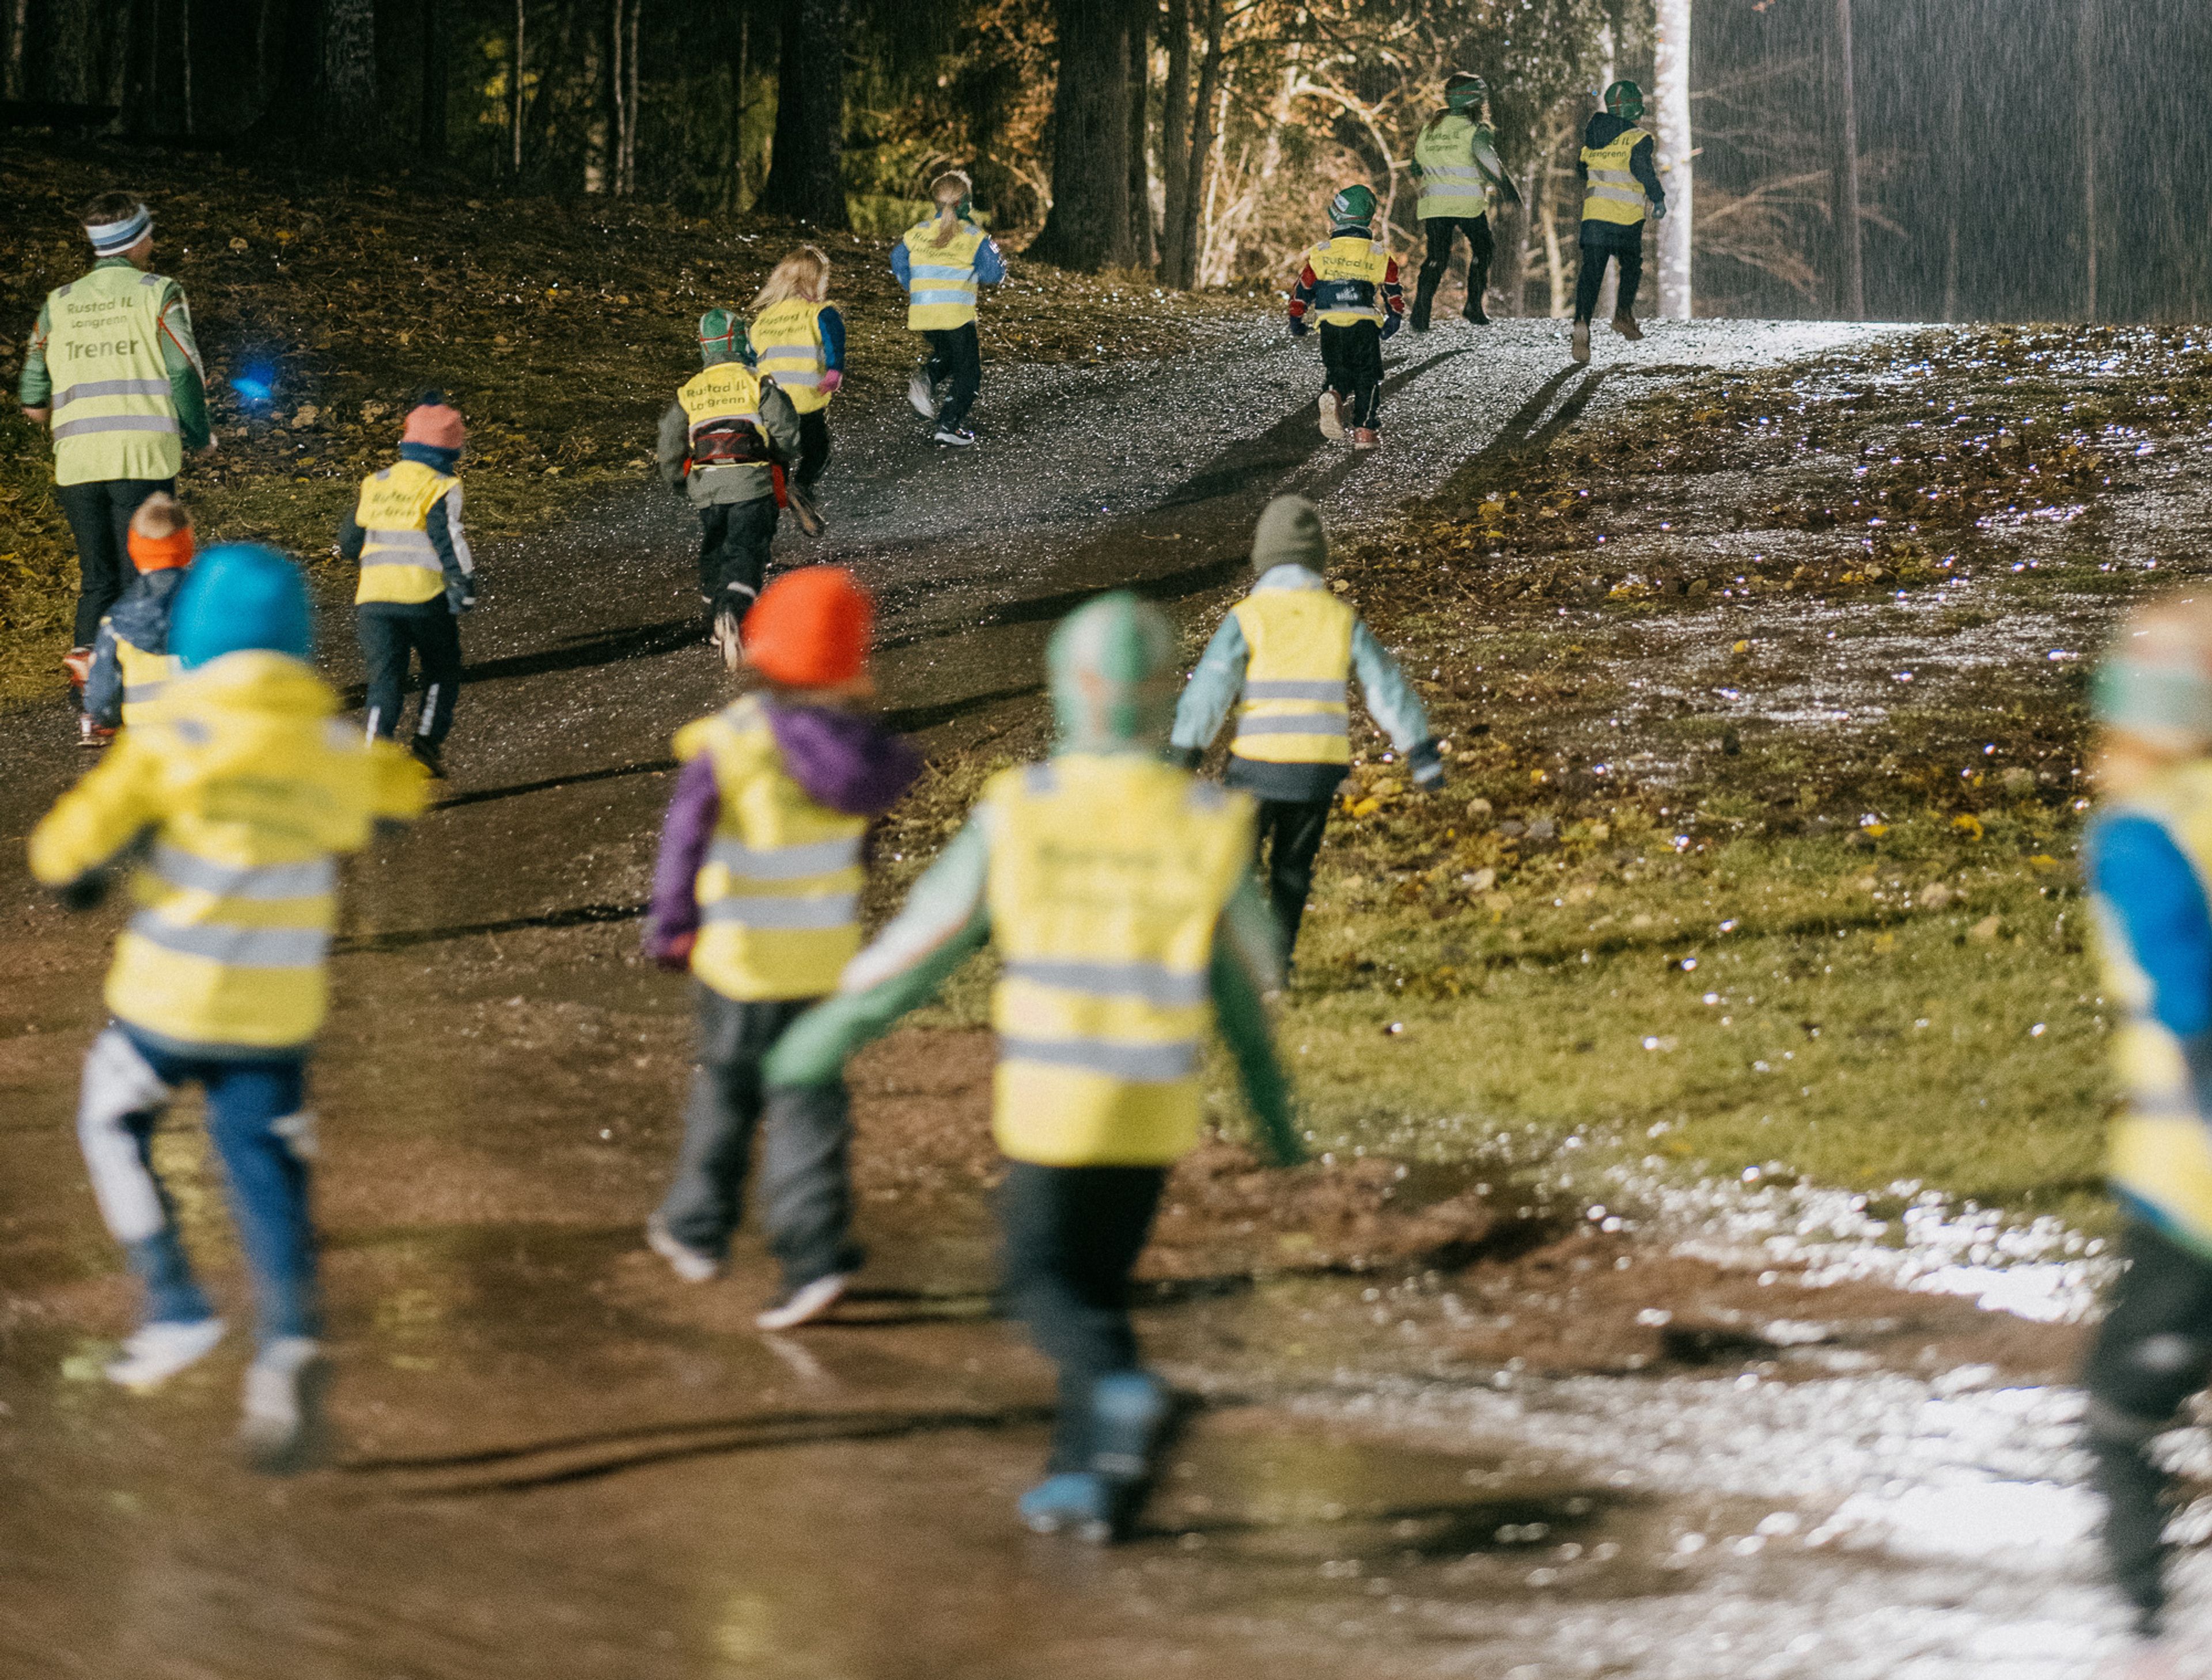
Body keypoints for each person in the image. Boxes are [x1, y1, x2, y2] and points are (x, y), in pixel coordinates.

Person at [764, 593, 1301, 1542]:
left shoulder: (1024, 812)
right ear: (1161, 693)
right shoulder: (1207, 818)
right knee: (1096, 1289)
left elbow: (921, 952)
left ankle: (1127, 1400)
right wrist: (1274, 1117)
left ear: (1070, 691)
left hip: (1059, 1102)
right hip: (1152, 1107)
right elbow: (1246, 983)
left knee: (1041, 1286)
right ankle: (1091, 1478)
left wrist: (826, 1035)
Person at [26, 544, 427, 1473]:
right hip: (274, 1020)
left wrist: (80, 875)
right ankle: (287, 1346)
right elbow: (401, 790)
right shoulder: (328, 745)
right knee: (269, 1176)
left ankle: (175, 1303)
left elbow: (66, 846)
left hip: (166, 1005)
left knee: (113, 1118)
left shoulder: (173, 739)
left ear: (200, 637)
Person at [642, 566, 920, 1329]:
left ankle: (696, 1229)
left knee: (728, 1092)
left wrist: (670, 927)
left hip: (739, 964)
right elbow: (863, 843)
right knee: (809, 1107)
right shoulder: (861, 761)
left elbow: (683, 843)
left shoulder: (733, 745)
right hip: (821, 966)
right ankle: (814, 1257)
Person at [2079, 595, 2212, 1679]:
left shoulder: (2143, 836)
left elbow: (2191, 1001)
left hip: (2194, 1194)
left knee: (2119, 1419)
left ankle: (2148, 1646)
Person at [1169, 496, 1442, 960]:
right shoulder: (1340, 619)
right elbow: (1386, 687)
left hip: (1256, 768)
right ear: (1319, 558)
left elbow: (1210, 691)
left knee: (1234, 864)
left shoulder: (1248, 618)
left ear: (1261, 558)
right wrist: (1421, 752)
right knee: (1292, 871)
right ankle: (1278, 965)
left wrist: (1184, 754)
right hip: (1316, 769)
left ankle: (1236, 957)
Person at [16, 192, 214, 745]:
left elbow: (33, 394)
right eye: (151, 233)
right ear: (136, 240)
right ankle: (151, 698)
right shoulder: (159, 292)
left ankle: (94, 709)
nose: (156, 243)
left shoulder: (59, 302)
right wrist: (199, 434)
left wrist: (55, 412)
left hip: (78, 460)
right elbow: (183, 374)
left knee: (97, 578)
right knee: (146, 579)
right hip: (142, 454)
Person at [336, 393, 476, 779]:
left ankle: (371, 754)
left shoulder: (376, 482)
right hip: (423, 597)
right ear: (452, 449)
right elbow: (448, 537)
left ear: (406, 442)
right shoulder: (441, 485)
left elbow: (350, 542)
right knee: (441, 669)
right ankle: (425, 748)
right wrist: (463, 583)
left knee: (384, 680)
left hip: (374, 601)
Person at [657, 311, 804, 662]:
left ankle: (714, 623)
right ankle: (733, 611)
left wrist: (681, 482)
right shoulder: (756, 381)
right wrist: (781, 458)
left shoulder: (689, 390)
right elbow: (787, 430)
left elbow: (669, 446)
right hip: (751, 483)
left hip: (707, 487)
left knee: (714, 550)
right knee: (746, 550)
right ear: (742, 342)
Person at [891, 170, 1007, 449]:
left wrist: (913, 284)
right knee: (969, 372)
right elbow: (994, 273)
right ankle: (948, 425)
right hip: (955, 314)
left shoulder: (918, 231)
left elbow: (897, 259)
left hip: (923, 312)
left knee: (948, 355)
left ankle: (925, 379)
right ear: (965, 202)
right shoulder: (973, 235)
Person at [1287, 185, 1404, 452]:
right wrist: (1394, 316)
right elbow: (1392, 288)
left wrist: (1297, 316)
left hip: (1329, 322)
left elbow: (1303, 287)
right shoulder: (1377, 254)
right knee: (1368, 375)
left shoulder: (1322, 251)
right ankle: (1365, 429)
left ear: (1337, 219)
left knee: (1338, 368)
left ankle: (1335, 394)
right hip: (1364, 322)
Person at [1408, 72, 1520, 331]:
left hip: (1434, 204)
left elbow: (1416, 167)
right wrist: (1511, 193)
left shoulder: (1430, 128)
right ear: (1475, 101)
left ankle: (1421, 313)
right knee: (1484, 248)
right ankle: (1473, 306)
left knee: (1436, 256)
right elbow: (1493, 167)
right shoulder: (1476, 131)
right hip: (1466, 204)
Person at [747, 245, 846, 526]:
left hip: (769, 405)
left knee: (778, 457)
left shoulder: (763, 319)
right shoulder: (820, 312)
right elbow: (833, 341)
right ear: (817, 280)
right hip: (805, 401)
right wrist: (835, 370)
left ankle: (770, 513)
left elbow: (753, 360)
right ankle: (802, 487)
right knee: (818, 450)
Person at [83, 491, 194, 739]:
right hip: (208, 728)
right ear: (187, 546)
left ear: (134, 550)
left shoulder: (116, 624)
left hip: (147, 739)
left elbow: (102, 701)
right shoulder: (212, 607)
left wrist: (104, 713)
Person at [1571, 80, 1665, 366]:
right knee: (1631, 266)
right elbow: (1642, 170)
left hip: (1595, 217)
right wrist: (1658, 197)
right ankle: (1623, 314)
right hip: (1625, 220)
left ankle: (1581, 322)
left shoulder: (1593, 137)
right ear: (1636, 108)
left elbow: (1581, 170)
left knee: (1591, 273)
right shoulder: (1638, 138)